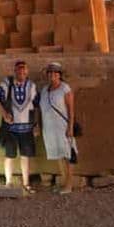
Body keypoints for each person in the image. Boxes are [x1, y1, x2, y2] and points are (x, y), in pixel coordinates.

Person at [0, 60, 39, 192]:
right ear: (15, 71)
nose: (21, 72)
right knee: (10, 155)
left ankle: (26, 183)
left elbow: (36, 106)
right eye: (19, 69)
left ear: (27, 71)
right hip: (10, 128)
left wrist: (36, 124)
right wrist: (5, 114)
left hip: (27, 128)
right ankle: (8, 183)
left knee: (26, 155)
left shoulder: (32, 86)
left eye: (24, 70)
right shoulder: (7, 83)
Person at [39, 62, 77, 194]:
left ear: (59, 75)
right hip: (49, 129)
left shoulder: (65, 89)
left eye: (55, 73)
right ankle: (64, 182)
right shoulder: (44, 90)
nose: (52, 75)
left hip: (63, 127)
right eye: (50, 73)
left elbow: (71, 111)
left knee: (68, 155)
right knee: (58, 155)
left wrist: (70, 127)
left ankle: (69, 185)